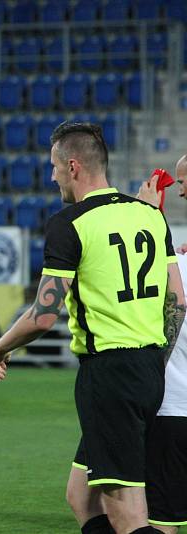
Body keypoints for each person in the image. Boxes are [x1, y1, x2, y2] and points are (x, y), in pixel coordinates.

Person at [0, 122, 185, 534]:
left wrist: (1, 346)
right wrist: (153, 361)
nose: (52, 176)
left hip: (109, 372)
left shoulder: (69, 224)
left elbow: (43, 315)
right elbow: (177, 300)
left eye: (54, 167)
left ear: (73, 166)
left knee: (126, 511)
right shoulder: (149, 215)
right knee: (82, 495)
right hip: (150, 372)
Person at [132, 161, 187, 534]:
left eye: (183, 182)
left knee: (161, 520)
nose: (180, 191)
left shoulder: (178, 264)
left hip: (173, 405)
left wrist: (149, 218)